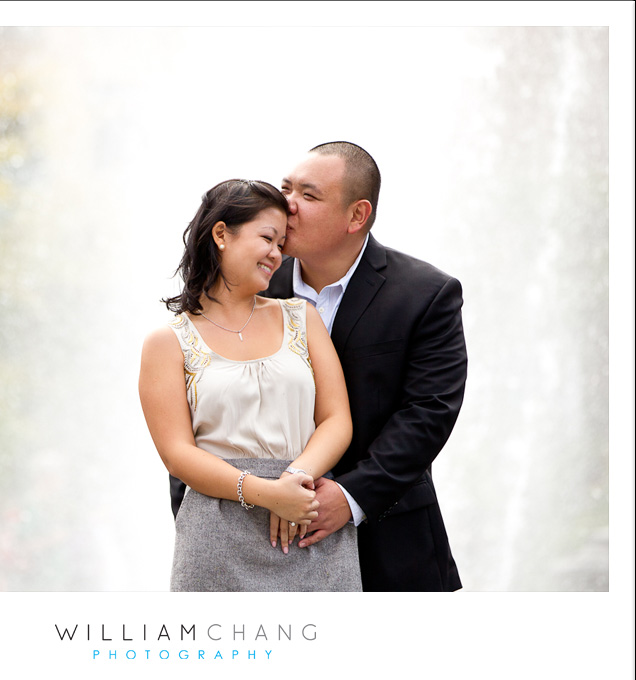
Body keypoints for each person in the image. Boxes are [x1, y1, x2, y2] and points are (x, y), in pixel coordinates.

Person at [139, 178, 361, 591]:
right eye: (267, 238)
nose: (277, 255)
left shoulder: (302, 317)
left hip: (307, 518)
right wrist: (265, 493)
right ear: (222, 234)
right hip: (217, 535)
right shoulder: (166, 343)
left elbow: (336, 419)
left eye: (281, 243)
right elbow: (177, 454)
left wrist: (295, 480)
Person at [270, 141, 467, 591]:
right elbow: (200, 401)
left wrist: (352, 496)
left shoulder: (426, 294)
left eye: (309, 194)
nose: (287, 205)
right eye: (285, 188)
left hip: (390, 546)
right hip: (257, 542)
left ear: (357, 216)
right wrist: (199, 514)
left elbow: (429, 411)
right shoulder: (248, 285)